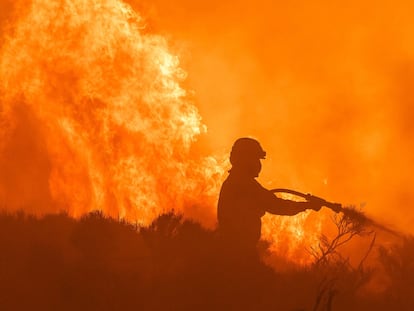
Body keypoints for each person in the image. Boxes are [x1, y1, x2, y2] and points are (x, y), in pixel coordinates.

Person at [217, 137, 324, 258]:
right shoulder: (243, 184)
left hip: (235, 250)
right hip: (238, 253)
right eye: (255, 159)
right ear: (245, 159)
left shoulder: (236, 181)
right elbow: (277, 206)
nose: (258, 164)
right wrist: (307, 205)